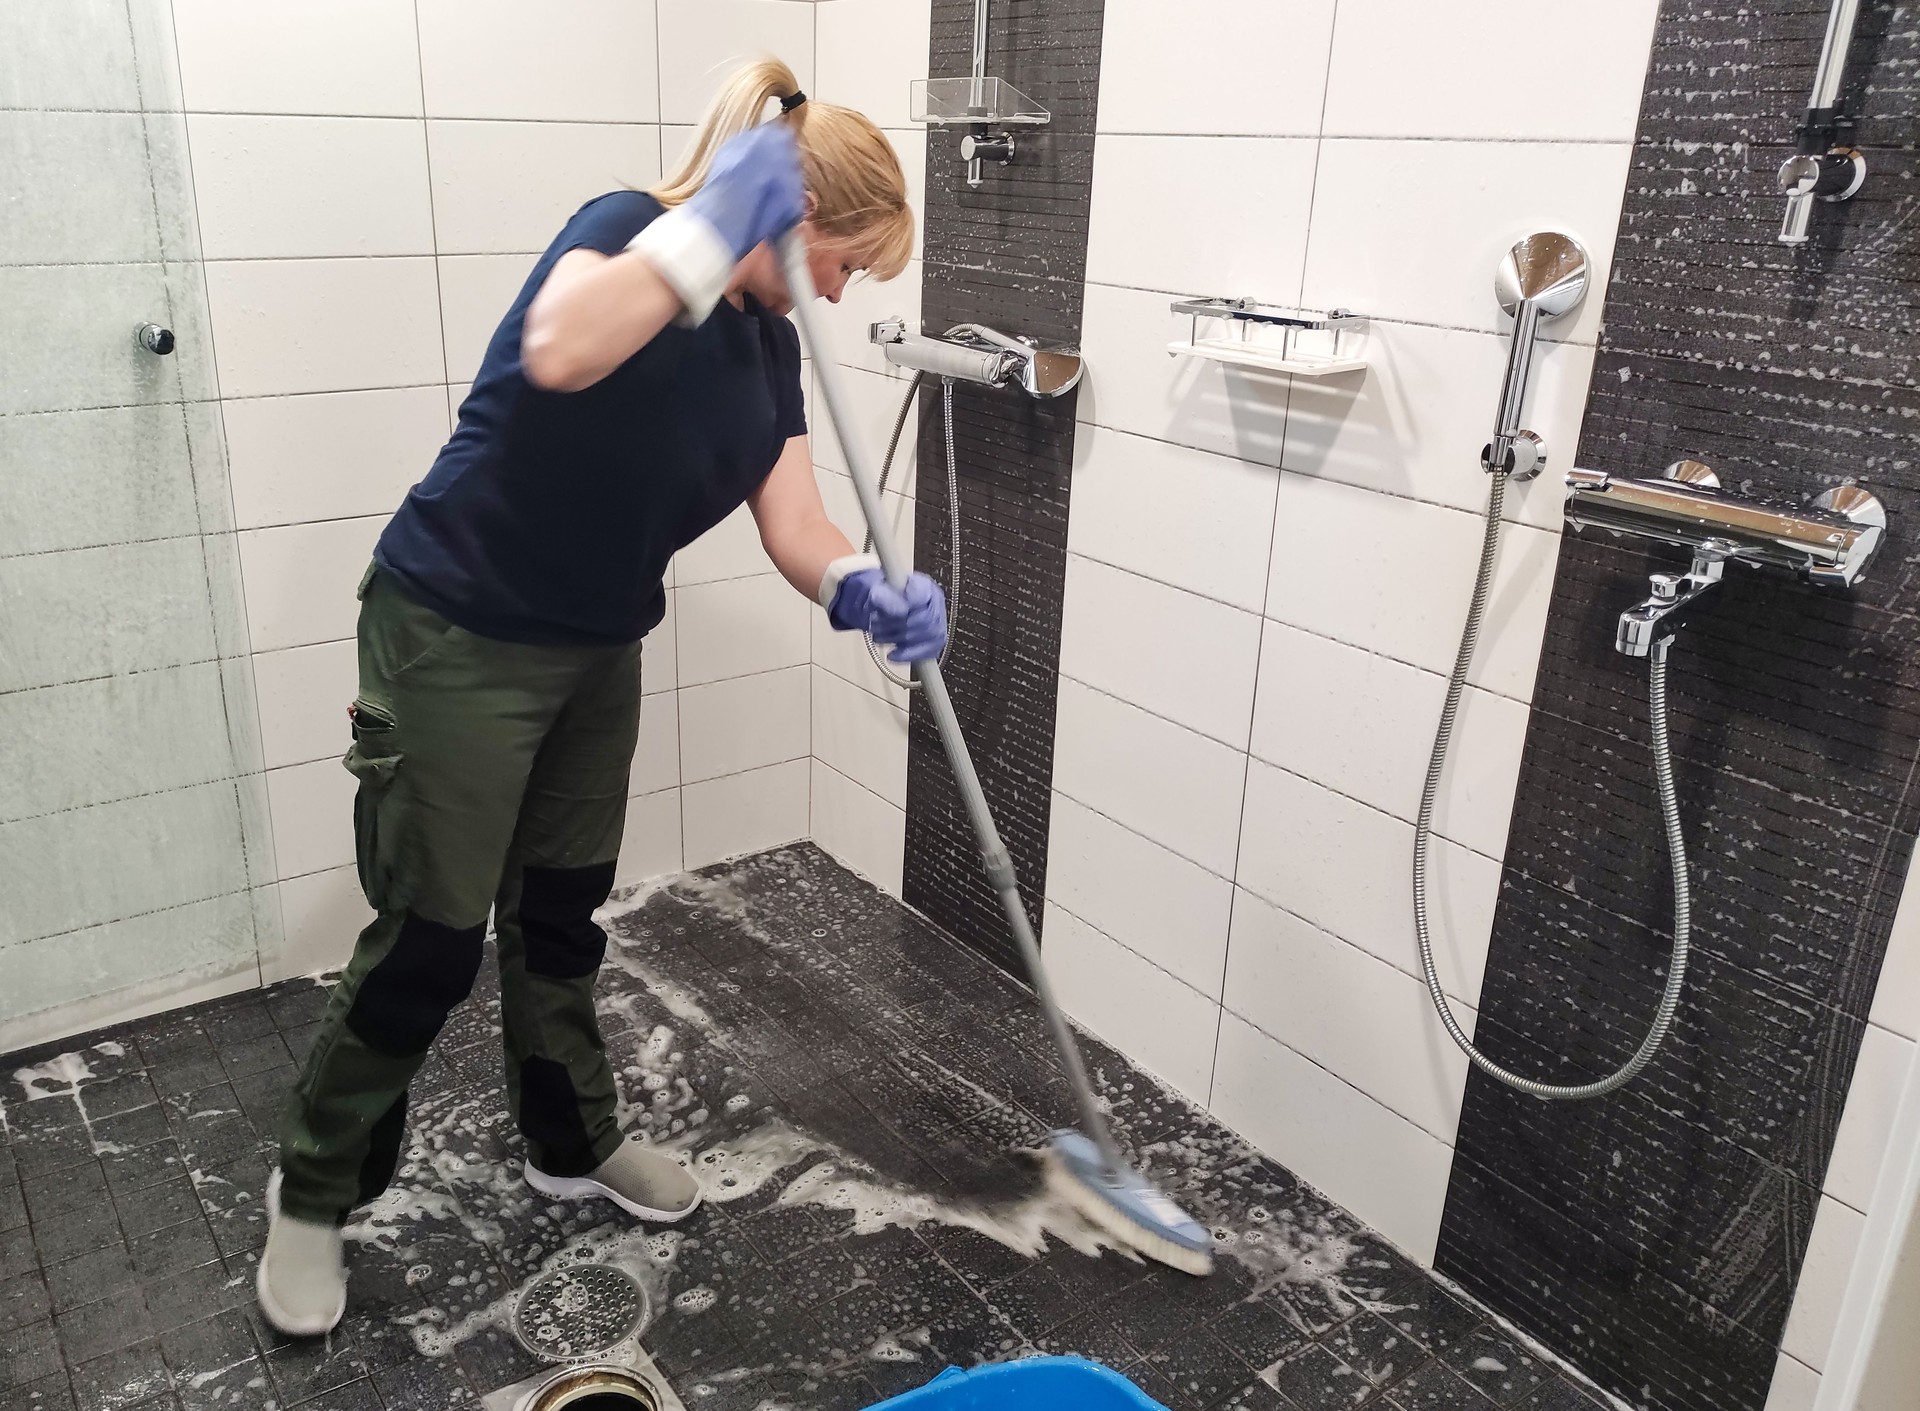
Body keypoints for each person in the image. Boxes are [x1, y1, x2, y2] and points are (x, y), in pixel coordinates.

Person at [256, 58, 943, 1337]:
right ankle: (311, 1198)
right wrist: (708, 229)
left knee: (561, 915)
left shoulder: (768, 342)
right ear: (791, 225)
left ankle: (570, 1138)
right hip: (455, 627)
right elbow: (562, 349)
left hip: (595, 647)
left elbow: (793, 518)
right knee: (430, 938)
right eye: (844, 261)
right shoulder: (627, 234)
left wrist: (857, 585)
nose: (843, 294)